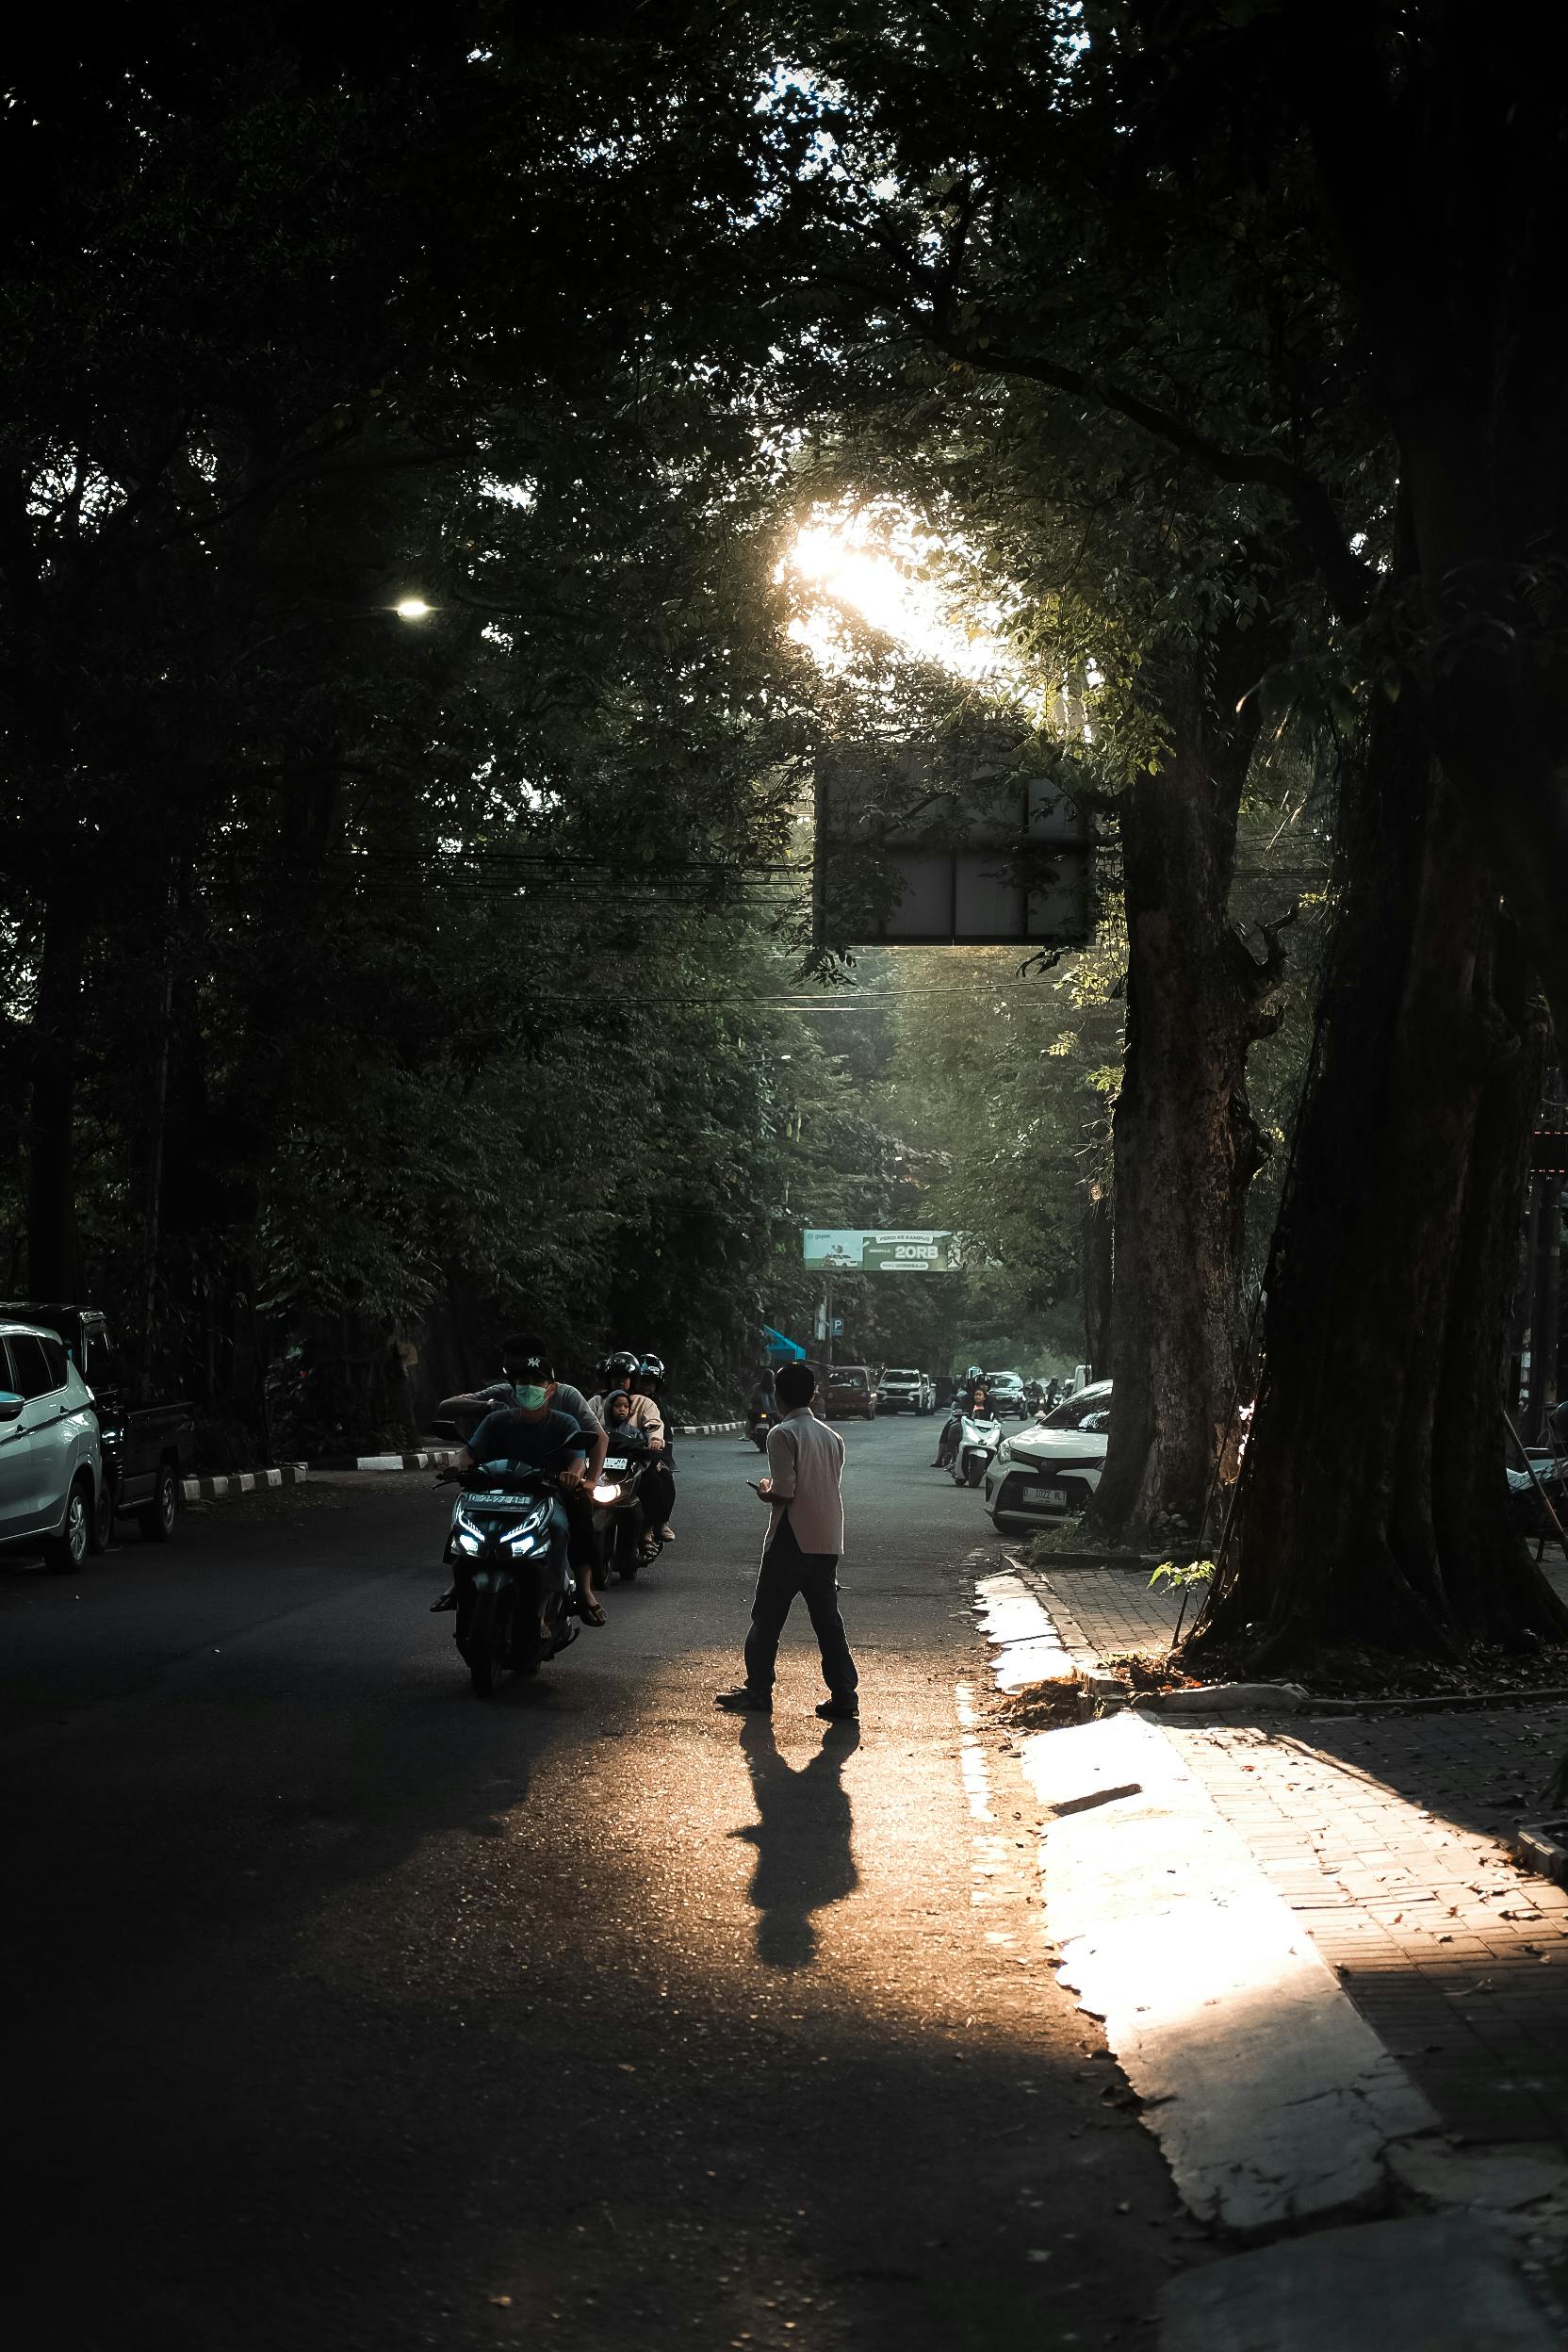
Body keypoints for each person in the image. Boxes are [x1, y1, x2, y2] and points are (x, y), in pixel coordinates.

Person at [715, 1359, 858, 1723]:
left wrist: (765, 1491)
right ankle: (844, 1696)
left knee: (766, 1618)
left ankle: (758, 1690)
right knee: (828, 1622)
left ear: (778, 1397)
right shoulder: (833, 1437)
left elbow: (786, 1490)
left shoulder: (782, 1433)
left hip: (792, 1538)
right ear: (813, 1394)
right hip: (828, 1538)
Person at [433, 1336, 610, 1623]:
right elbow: (467, 1448)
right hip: (500, 1484)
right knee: (464, 1512)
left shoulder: (567, 1411)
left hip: (548, 1487)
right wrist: (458, 1465)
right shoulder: (498, 1410)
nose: (526, 1386)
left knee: (573, 1518)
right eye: (520, 1379)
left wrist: (585, 1479)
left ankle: (584, 1591)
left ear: (549, 1389)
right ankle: (460, 1578)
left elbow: (591, 1443)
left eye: (535, 1381)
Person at [586, 1367, 670, 1562]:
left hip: (633, 1461)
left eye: (625, 1377)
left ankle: (649, 1531)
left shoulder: (643, 1403)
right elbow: (582, 1420)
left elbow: (654, 1424)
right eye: (615, 1376)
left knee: (655, 1481)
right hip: (599, 1460)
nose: (620, 1381)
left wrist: (654, 1439)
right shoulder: (595, 1402)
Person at [933, 1366, 988, 1470]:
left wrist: (998, 1418)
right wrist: (960, 1410)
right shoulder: (965, 1394)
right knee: (951, 1428)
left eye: (984, 1384)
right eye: (979, 1384)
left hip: (984, 1424)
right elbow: (956, 1406)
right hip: (966, 1420)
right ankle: (943, 1458)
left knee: (1002, 1438)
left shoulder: (990, 1397)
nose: (982, 1386)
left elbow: (996, 1410)